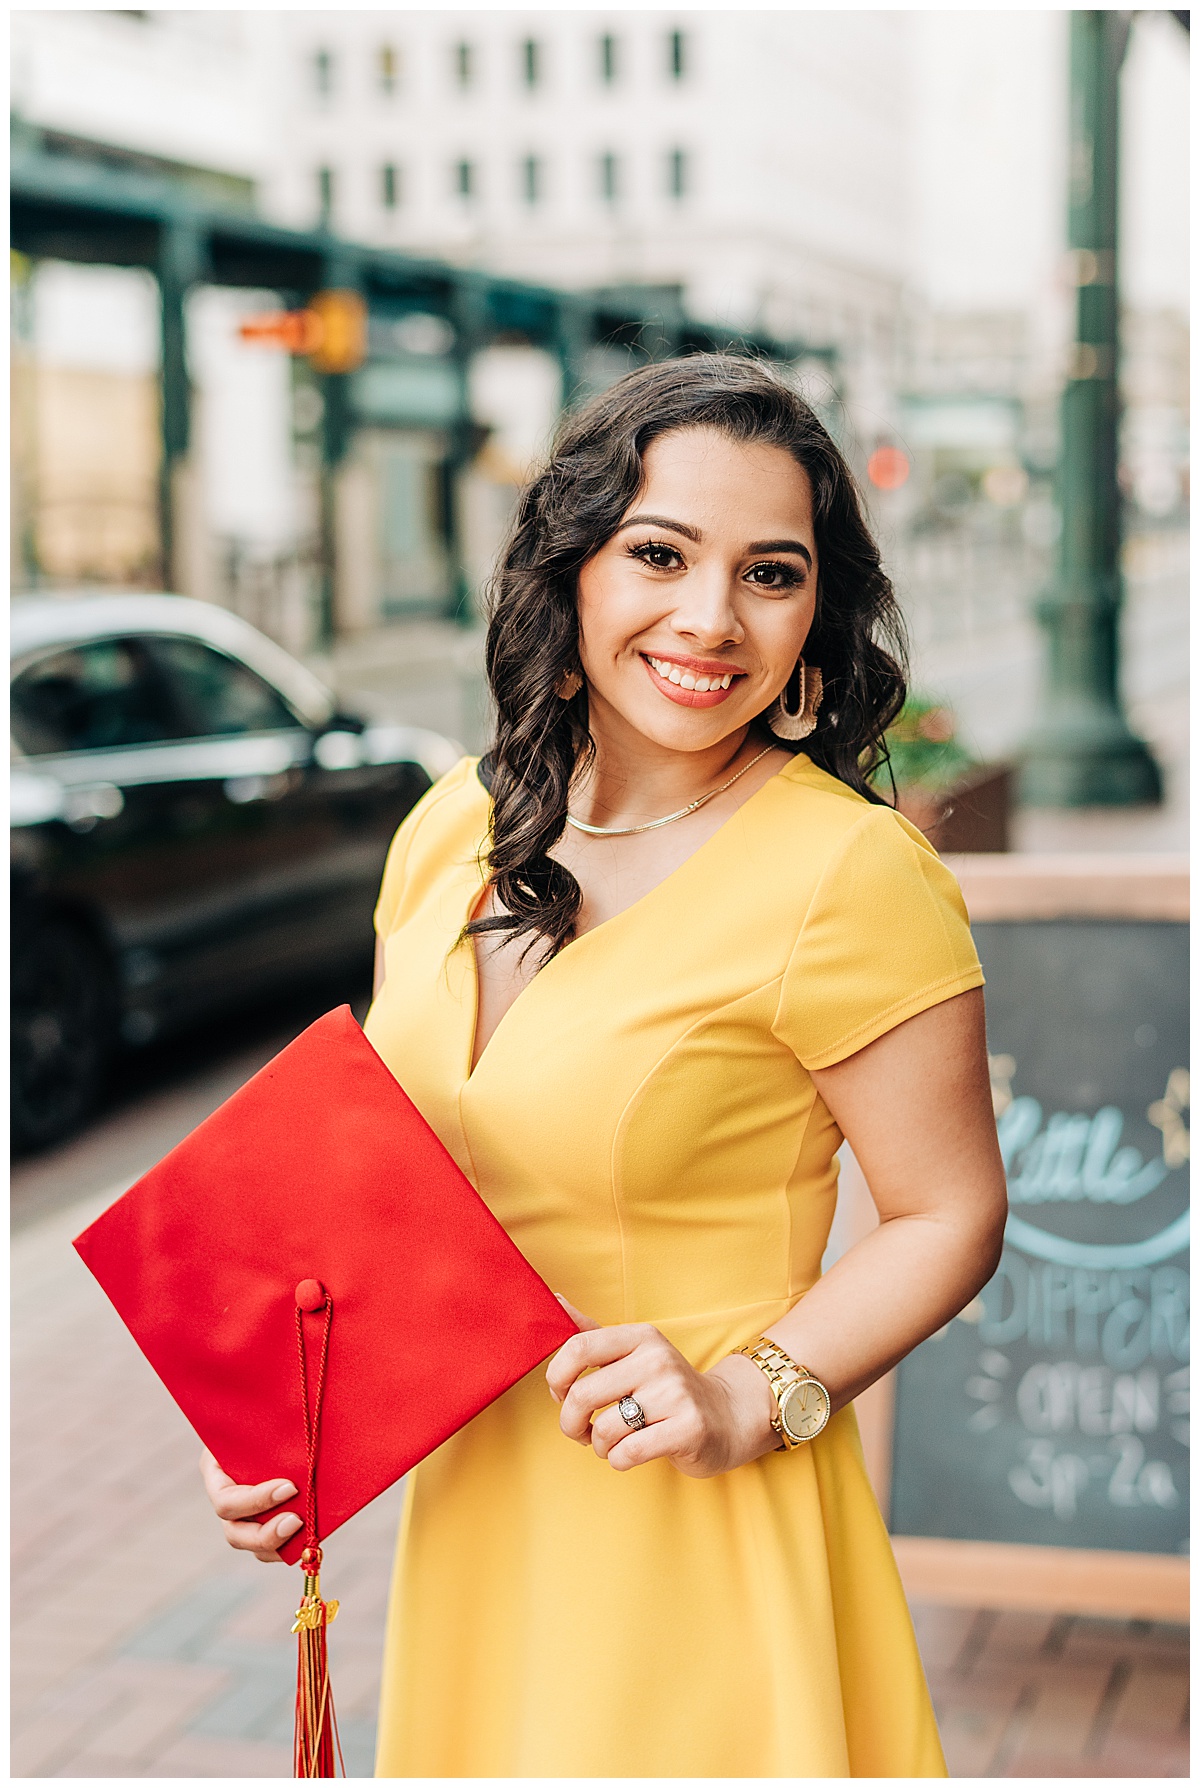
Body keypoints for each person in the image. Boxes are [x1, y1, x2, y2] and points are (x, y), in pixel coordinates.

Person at [201, 354, 1008, 1777]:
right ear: (568, 566)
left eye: (771, 573)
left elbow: (950, 1214)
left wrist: (752, 1395)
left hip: (702, 1518)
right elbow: (399, 1178)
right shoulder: (451, 826)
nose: (710, 617)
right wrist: (289, 1425)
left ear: (817, 614)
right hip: (479, 1513)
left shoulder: (849, 875)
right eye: (659, 552)